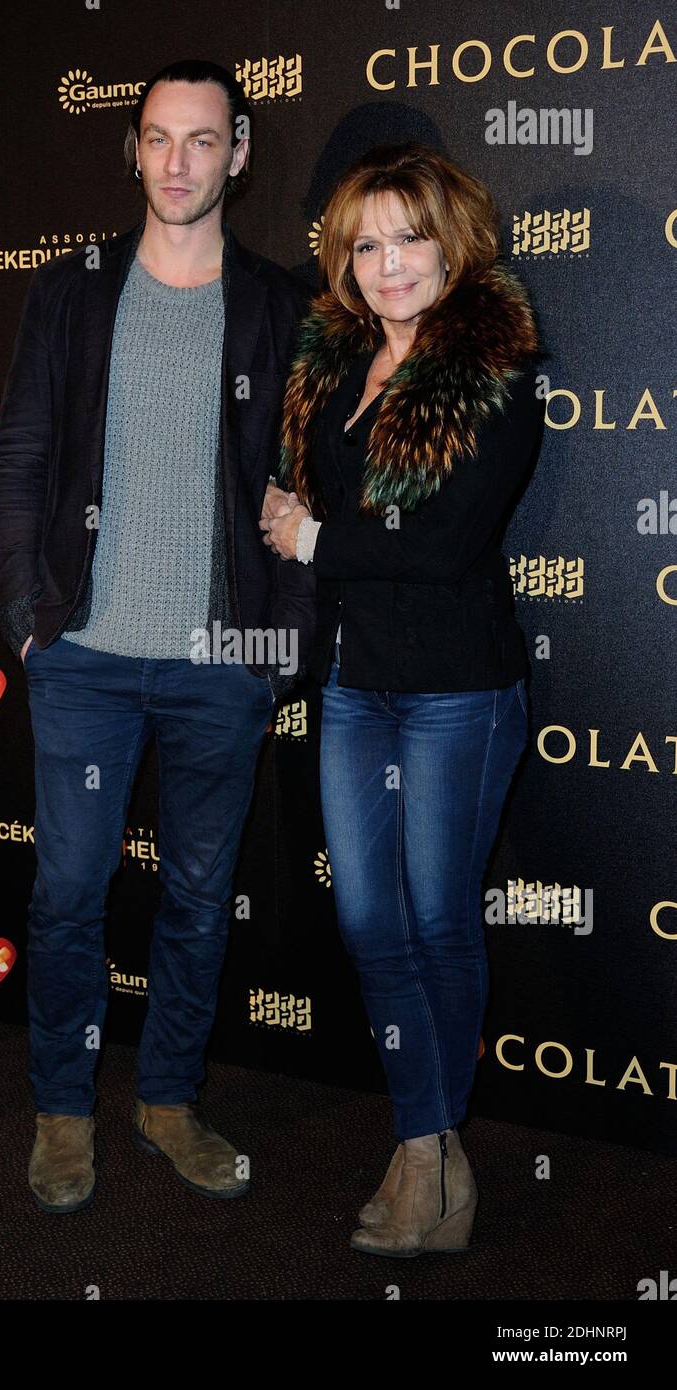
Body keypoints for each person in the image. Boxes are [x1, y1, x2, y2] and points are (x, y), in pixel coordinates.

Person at [0, 59, 313, 1214]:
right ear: (132, 150)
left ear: (239, 152)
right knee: (69, 892)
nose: (178, 162)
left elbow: (304, 482)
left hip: (220, 664)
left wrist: (277, 649)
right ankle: (62, 1111)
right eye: (158, 139)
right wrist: (30, 621)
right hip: (82, 656)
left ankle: (167, 1098)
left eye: (202, 140)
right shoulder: (70, 289)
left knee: (196, 890)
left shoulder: (283, 304)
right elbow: (19, 454)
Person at [260, 141, 545, 1257]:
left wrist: (313, 535)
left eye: (407, 238)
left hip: (454, 693)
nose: (387, 265)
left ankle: (426, 1155)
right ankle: (428, 1140)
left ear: (449, 243)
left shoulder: (495, 372)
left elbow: (438, 547)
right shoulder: (329, 367)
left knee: (433, 919)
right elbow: (297, 503)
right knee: (368, 921)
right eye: (364, 244)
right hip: (352, 686)